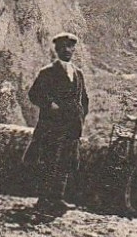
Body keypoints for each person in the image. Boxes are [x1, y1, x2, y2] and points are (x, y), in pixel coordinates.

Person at [23, 32, 89, 218]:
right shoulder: (48, 72)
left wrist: (81, 115)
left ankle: (58, 197)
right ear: (57, 49)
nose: (68, 50)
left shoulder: (78, 74)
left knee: (66, 161)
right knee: (49, 160)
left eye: (71, 47)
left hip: (71, 126)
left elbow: (84, 99)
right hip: (52, 126)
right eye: (64, 47)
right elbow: (34, 94)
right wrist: (50, 105)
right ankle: (44, 199)